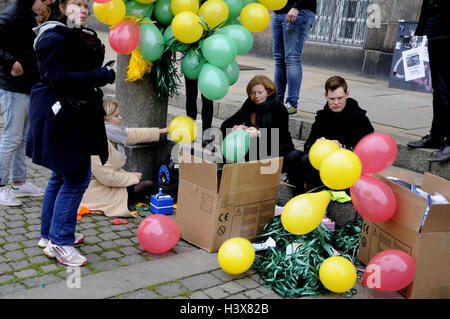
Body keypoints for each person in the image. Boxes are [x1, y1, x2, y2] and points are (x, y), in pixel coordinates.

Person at [26, 0, 115, 267]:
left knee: (62, 174)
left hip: (66, 114)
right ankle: (60, 243)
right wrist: (104, 75)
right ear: (62, 7)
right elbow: (62, 78)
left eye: (86, 5)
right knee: (77, 176)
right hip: (61, 116)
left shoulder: (68, 34)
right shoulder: (53, 37)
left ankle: (48, 235)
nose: (84, 9)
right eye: (77, 4)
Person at [80, 98, 169, 218]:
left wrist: (162, 131)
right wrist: (132, 177)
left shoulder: (110, 133)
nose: (121, 117)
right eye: (117, 115)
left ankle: (177, 193)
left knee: (148, 185)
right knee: (147, 184)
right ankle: (179, 193)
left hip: (108, 184)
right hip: (98, 191)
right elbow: (107, 178)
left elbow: (133, 134)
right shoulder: (96, 141)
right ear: (106, 119)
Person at [286, 76, 374, 196]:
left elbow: (367, 152)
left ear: (347, 94)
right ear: (325, 96)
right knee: (293, 156)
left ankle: (316, 199)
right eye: (332, 99)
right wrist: (317, 144)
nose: (336, 103)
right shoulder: (323, 116)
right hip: (322, 164)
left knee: (306, 161)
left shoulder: (359, 118)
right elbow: (307, 146)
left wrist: (342, 147)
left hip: (345, 168)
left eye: (340, 98)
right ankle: (297, 197)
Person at [0, 0, 46, 207]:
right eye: (43, 0)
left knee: (22, 138)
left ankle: (18, 181)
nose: (47, 4)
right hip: (12, 87)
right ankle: (1, 187)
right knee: (11, 138)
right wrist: (11, 62)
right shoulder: (10, 15)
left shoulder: (29, 13)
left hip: (29, 85)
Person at [220, 75, 297, 168]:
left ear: (268, 92)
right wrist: (236, 127)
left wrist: (258, 133)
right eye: (253, 93)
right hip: (256, 145)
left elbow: (280, 136)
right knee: (230, 132)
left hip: (277, 149)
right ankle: (229, 169)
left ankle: (257, 171)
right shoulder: (250, 103)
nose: (256, 96)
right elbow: (226, 124)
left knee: (253, 140)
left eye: (260, 92)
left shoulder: (279, 108)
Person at [406, 0, 450, 162]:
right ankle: (437, 135)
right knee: (438, 89)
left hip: (445, 29)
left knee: (446, 89)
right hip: (436, 30)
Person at [272, 0, 317, 115]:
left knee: (292, 58)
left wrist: (297, 6)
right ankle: (277, 102)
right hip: (278, 11)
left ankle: (292, 104)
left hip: (298, 11)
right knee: (279, 59)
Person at [184, 75, 214, 147]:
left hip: (192, 65)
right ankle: (205, 136)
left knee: (192, 96)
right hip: (206, 64)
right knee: (206, 98)